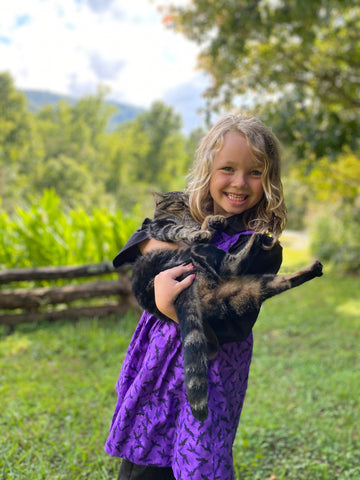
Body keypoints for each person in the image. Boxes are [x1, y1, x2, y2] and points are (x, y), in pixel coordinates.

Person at [105, 113, 287, 480]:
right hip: (158, 362)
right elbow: (135, 243)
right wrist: (160, 251)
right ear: (207, 168)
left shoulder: (261, 246)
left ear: (269, 180)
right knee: (145, 458)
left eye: (255, 172)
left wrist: (171, 305)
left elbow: (234, 318)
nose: (239, 182)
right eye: (228, 168)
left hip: (213, 368)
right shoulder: (181, 210)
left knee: (199, 457)